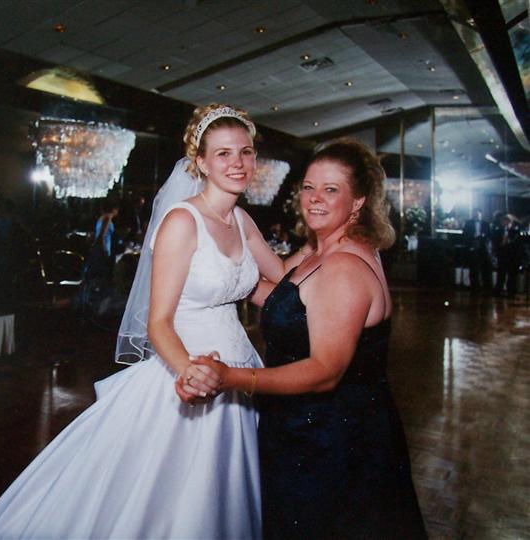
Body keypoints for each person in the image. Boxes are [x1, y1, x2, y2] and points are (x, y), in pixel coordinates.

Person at [0, 103, 301, 539]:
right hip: (188, 370)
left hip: (241, 371)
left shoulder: (242, 220)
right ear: (201, 162)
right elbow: (159, 322)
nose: (238, 163)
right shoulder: (182, 221)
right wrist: (191, 373)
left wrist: (330, 245)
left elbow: (283, 279)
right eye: (223, 153)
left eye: (245, 152)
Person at [180, 139, 427, 539]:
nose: (314, 199)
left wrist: (230, 377)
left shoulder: (344, 268)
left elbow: (325, 371)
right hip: (307, 430)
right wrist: (214, 270)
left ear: (358, 201)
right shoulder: (318, 251)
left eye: (330, 190)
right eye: (309, 187)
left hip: (333, 442)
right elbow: (283, 300)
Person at [462, 208, 492, 292]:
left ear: (481, 215)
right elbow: (465, 234)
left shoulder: (486, 224)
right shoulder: (468, 223)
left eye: (477, 214)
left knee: (485, 268)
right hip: (472, 247)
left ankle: (486, 288)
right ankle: (474, 287)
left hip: (483, 248)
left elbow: (489, 236)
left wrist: (483, 240)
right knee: (473, 268)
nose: (476, 215)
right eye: (474, 214)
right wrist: (471, 242)